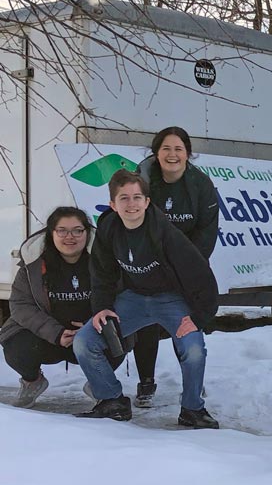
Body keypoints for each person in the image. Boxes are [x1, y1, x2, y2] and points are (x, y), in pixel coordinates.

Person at [72, 170, 220, 428]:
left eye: (137, 197)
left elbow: (202, 277)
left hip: (171, 299)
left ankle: (192, 409)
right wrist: (103, 308)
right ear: (113, 205)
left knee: (194, 349)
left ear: (147, 202)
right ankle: (112, 401)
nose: (132, 204)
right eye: (124, 198)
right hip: (134, 299)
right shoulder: (108, 228)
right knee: (85, 341)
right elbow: (101, 273)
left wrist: (197, 318)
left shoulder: (165, 232)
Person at [0, 207, 125, 408]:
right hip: (48, 338)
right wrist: (55, 332)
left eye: (77, 230)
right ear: (51, 233)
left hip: (90, 335)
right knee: (16, 344)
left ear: (87, 233)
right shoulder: (33, 266)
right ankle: (33, 382)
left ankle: (99, 384)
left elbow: (121, 298)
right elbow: (20, 305)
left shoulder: (104, 263)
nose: (70, 237)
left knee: (120, 336)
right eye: (62, 230)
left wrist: (90, 328)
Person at [132, 126, 219, 408]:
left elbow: (207, 230)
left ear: (188, 154)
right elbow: (132, 222)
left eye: (178, 149)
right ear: (157, 153)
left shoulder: (201, 184)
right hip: (148, 262)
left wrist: (186, 265)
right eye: (166, 149)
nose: (172, 154)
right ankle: (146, 381)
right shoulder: (143, 180)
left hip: (186, 264)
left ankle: (193, 383)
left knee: (184, 322)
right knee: (147, 321)